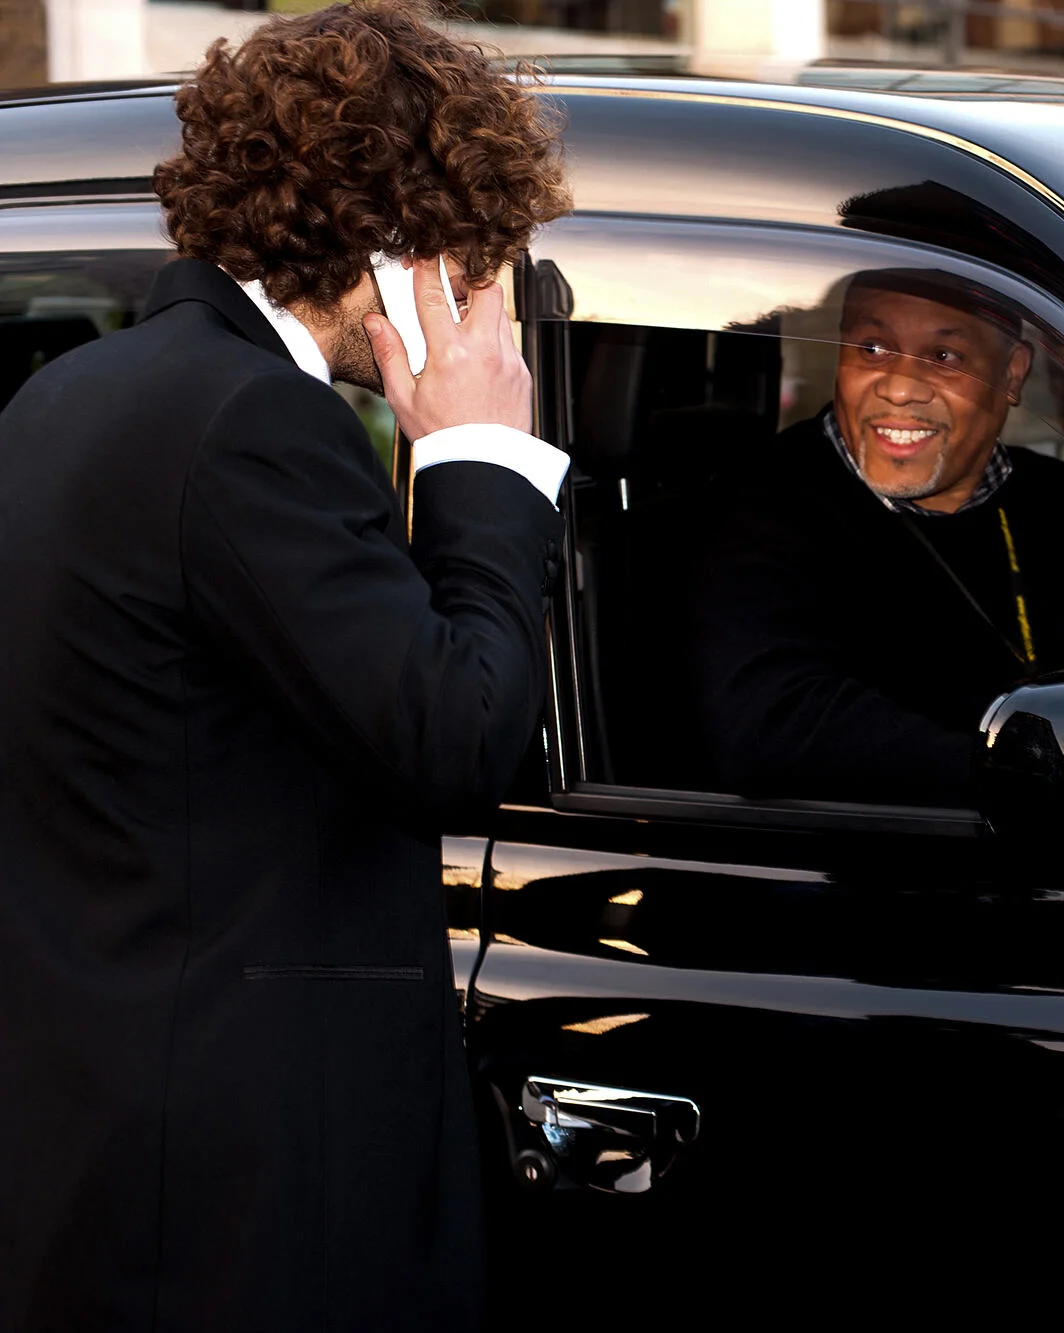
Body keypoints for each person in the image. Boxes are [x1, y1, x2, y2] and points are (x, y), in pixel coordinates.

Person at [0, 4, 569, 1329]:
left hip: (111, 1148)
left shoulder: (73, 395)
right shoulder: (255, 423)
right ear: (403, 246)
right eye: (473, 251)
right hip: (232, 1204)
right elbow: (459, 736)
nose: (484, 290)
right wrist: (482, 456)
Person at [690, 270, 1064, 805]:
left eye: (944, 357)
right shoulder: (761, 502)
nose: (900, 388)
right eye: (872, 348)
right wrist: (1042, 770)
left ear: (1012, 374)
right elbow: (770, 733)